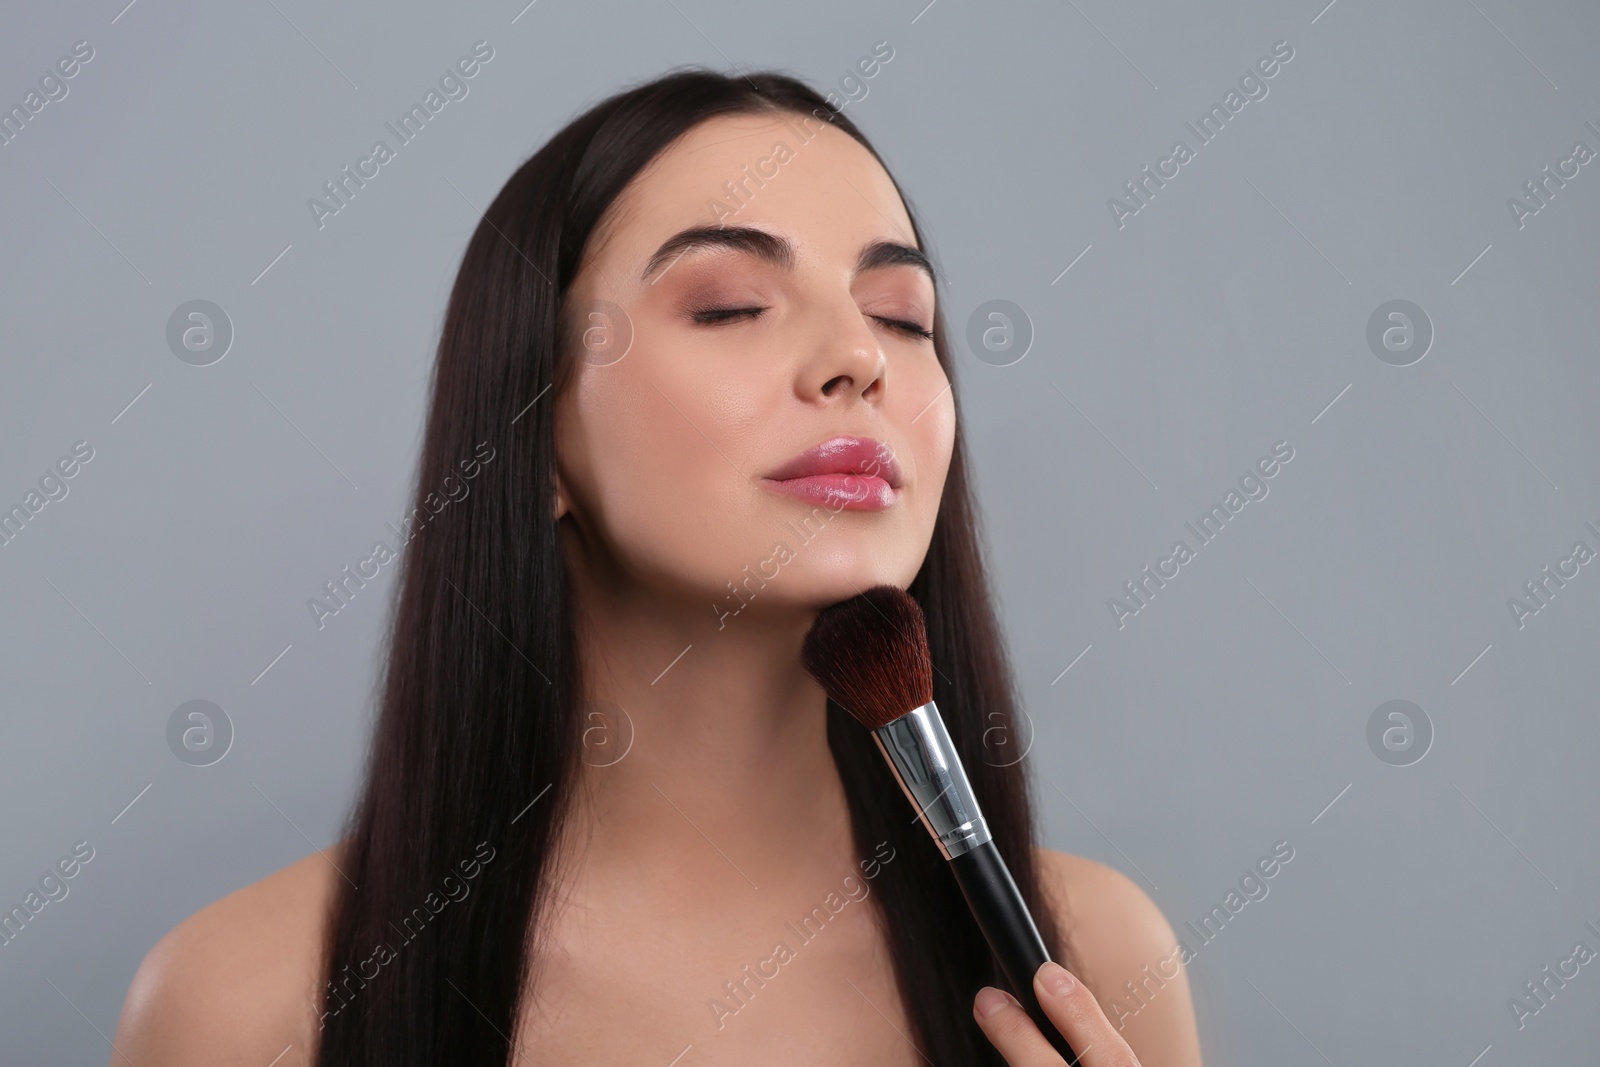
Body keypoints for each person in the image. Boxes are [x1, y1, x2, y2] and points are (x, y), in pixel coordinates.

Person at [110, 68, 1202, 1066]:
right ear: (532, 434)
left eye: (901, 315)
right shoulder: (248, 1005)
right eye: (729, 305)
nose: (858, 358)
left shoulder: (1099, 957)